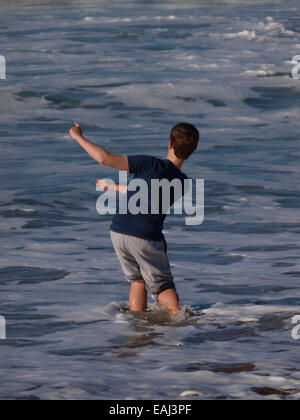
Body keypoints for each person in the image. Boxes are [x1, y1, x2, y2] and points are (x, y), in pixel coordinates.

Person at [69, 122, 199, 315]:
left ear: (170, 143)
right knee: (162, 286)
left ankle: (136, 328)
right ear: (193, 150)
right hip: (145, 237)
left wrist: (77, 136)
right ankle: (178, 322)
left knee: (137, 280)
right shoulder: (182, 183)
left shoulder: (148, 163)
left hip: (119, 231)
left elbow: (104, 158)